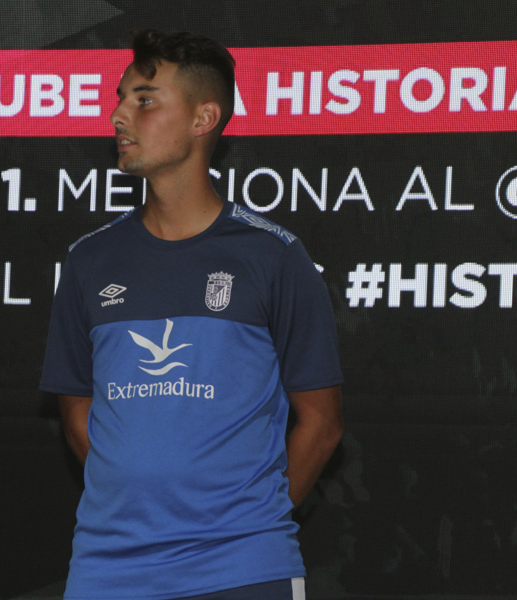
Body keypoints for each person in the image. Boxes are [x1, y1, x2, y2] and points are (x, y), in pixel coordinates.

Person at [41, 29, 344, 600]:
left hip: (244, 569)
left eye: (145, 100)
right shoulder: (88, 260)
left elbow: (322, 425)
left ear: (204, 118)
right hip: (108, 570)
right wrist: (133, 504)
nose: (118, 116)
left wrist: (248, 522)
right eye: (120, 98)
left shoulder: (273, 256)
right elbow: (78, 411)